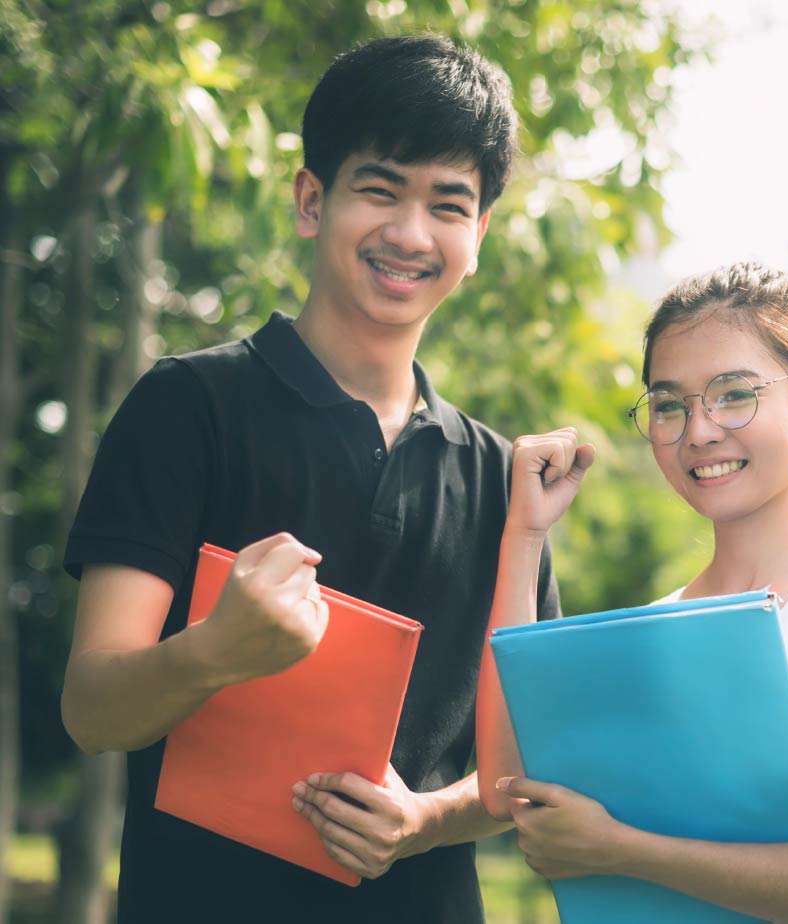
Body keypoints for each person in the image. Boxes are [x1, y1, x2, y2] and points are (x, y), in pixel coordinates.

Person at [59, 34, 547, 922]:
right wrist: (213, 652)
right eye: (379, 189)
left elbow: (524, 767)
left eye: (447, 204)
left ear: (478, 234)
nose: (409, 233)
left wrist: (425, 819)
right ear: (311, 199)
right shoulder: (186, 407)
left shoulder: (503, 479)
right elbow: (92, 708)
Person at [475, 262, 788, 924]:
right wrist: (525, 535)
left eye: (734, 394)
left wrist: (623, 850)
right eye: (670, 405)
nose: (699, 431)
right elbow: (503, 787)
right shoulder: (656, 626)